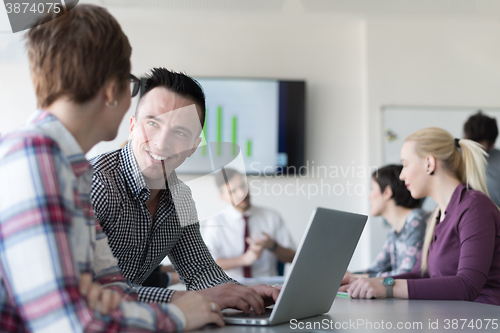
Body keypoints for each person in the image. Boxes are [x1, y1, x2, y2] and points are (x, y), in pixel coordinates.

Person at [0, 5, 225, 332]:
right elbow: (71, 323)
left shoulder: (71, 169)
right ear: (111, 90)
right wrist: (178, 314)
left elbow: (112, 290)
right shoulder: (37, 155)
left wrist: (103, 303)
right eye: (131, 84)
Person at [90, 68, 279, 311]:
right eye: (153, 123)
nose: (161, 141)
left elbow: (201, 273)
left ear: (193, 147)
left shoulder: (180, 196)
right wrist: (182, 300)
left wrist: (249, 293)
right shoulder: (95, 184)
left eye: (179, 132)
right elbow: (82, 289)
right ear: (132, 126)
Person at [340, 127, 500, 306]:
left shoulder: (474, 207)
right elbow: (419, 274)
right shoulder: (437, 216)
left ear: (429, 164)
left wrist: (387, 287)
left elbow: (468, 285)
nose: (402, 175)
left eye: (406, 164)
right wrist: (361, 281)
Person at [201, 168, 296, 278]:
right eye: (233, 191)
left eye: (242, 186)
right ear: (222, 197)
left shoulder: (271, 217)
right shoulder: (215, 223)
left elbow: (294, 258)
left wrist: (272, 245)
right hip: (230, 290)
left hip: (268, 288)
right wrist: (243, 260)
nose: (242, 194)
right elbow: (207, 264)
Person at [343, 164, 428, 281]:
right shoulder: (395, 231)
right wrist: (347, 275)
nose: (369, 197)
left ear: (387, 192)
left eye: (372, 189)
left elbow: (407, 273)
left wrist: (355, 278)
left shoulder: (416, 220)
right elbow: (376, 269)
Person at [464, 111, 500, 207]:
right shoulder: (453, 158)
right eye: (470, 144)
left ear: (492, 145)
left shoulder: (498, 161)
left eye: (478, 147)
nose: (473, 149)